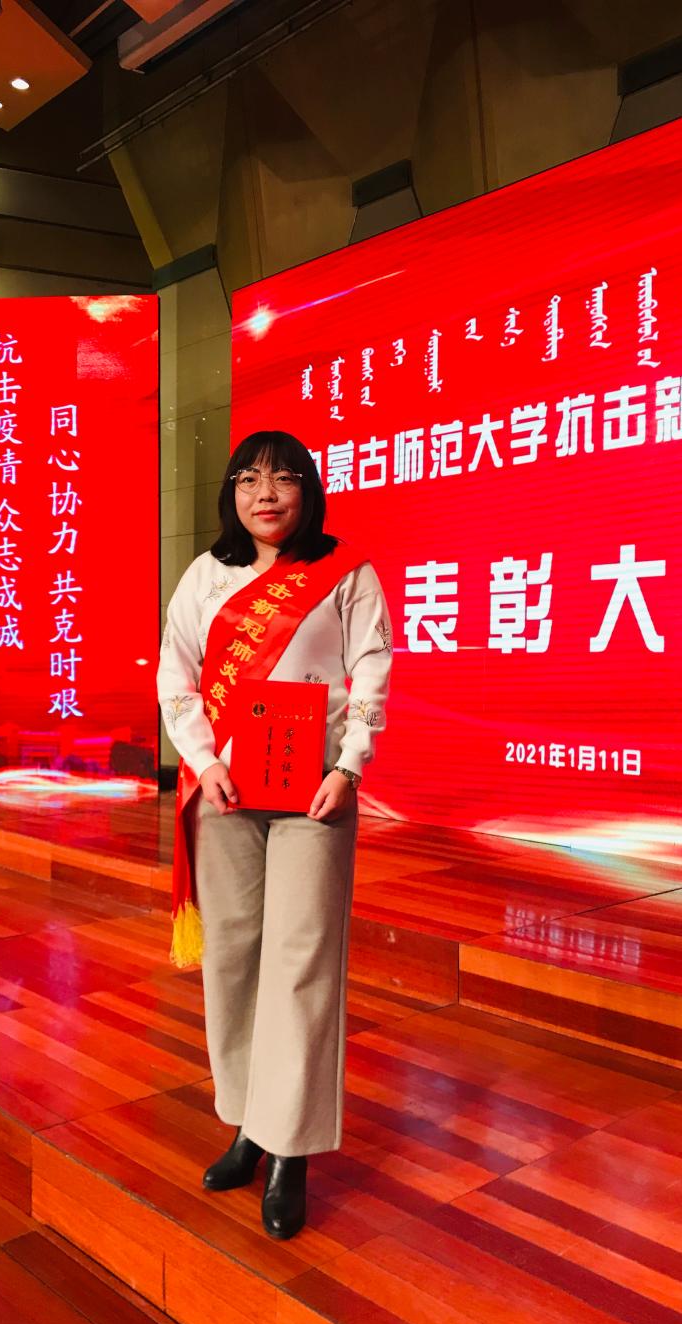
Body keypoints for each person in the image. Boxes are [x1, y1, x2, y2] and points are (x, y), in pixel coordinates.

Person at [156, 430, 392, 1239]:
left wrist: (349, 765)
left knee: (300, 961)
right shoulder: (205, 575)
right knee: (234, 955)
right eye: (251, 479)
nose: (267, 493)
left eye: (285, 479)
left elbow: (372, 667)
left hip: (314, 789)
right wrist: (202, 760)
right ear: (232, 492)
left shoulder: (345, 572)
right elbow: (177, 675)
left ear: (308, 491)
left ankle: (290, 1146)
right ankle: (249, 1122)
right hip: (225, 788)